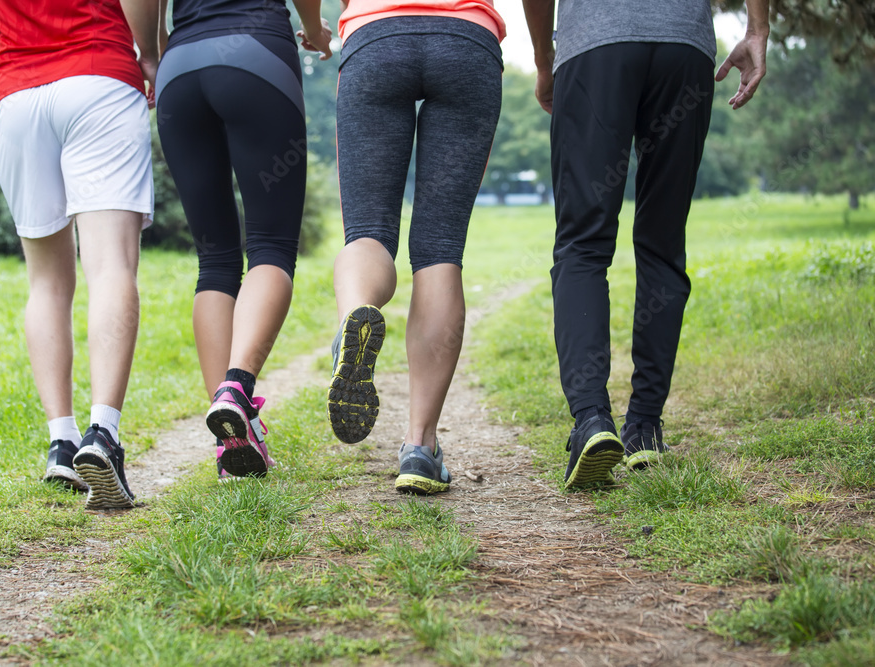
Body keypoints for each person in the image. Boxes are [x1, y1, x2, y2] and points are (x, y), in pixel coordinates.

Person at [521, 0, 769, 488]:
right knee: (662, 241)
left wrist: (544, 60)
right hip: (683, 47)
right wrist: (757, 29)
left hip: (594, 45)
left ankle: (592, 420)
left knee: (583, 244)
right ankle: (645, 430)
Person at [0, 0, 160, 509]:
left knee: (45, 281)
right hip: (99, 77)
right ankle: (102, 434)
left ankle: (61, 443)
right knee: (110, 265)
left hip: (17, 97)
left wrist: (12, 67)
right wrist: (148, 53)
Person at [328, 0, 504, 494]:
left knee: (367, 231)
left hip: (376, 35)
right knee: (439, 249)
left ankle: (353, 319)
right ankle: (420, 449)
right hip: (467, 41)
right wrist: (543, 57)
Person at [151, 0, 332, 479]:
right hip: (256, 54)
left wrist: (152, 53)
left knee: (214, 262)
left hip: (180, 66)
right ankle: (236, 390)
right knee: (271, 245)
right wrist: (315, 31)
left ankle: (232, 440)